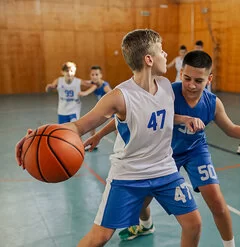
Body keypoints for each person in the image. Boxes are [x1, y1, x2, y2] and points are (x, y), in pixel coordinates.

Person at [84, 51, 240, 247]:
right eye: (187, 78)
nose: (191, 85)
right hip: (163, 154)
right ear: (181, 73)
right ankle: (146, 225)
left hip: (195, 151)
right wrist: (99, 135)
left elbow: (231, 129)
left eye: (199, 80)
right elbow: (131, 115)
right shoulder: (166, 92)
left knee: (217, 202)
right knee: (141, 201)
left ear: (209, 80)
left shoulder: (212, 103)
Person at [16, 29, 202, 247]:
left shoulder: (165, 86)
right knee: (101, 237)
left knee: (194, 224)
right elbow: (78, 125)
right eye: (162, 51)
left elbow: (155, 114)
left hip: (164, 170)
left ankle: (145, 223)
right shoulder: (119, 97)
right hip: (128, 175)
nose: (166, 55)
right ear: (149, 59)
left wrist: (185, 118)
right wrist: (36, 136)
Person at [78, 65, 113, 139]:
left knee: (116, 128)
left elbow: (113, 95)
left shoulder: (105, 86)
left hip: (110, 109)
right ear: (90, 75)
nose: (94, 77)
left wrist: (84, 93)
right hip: (101, 109)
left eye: (96, 74)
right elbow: (81, 82)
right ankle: (93, 142)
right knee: (92, 124)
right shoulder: (92, 83)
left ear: (101, 75)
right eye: (92, 75)